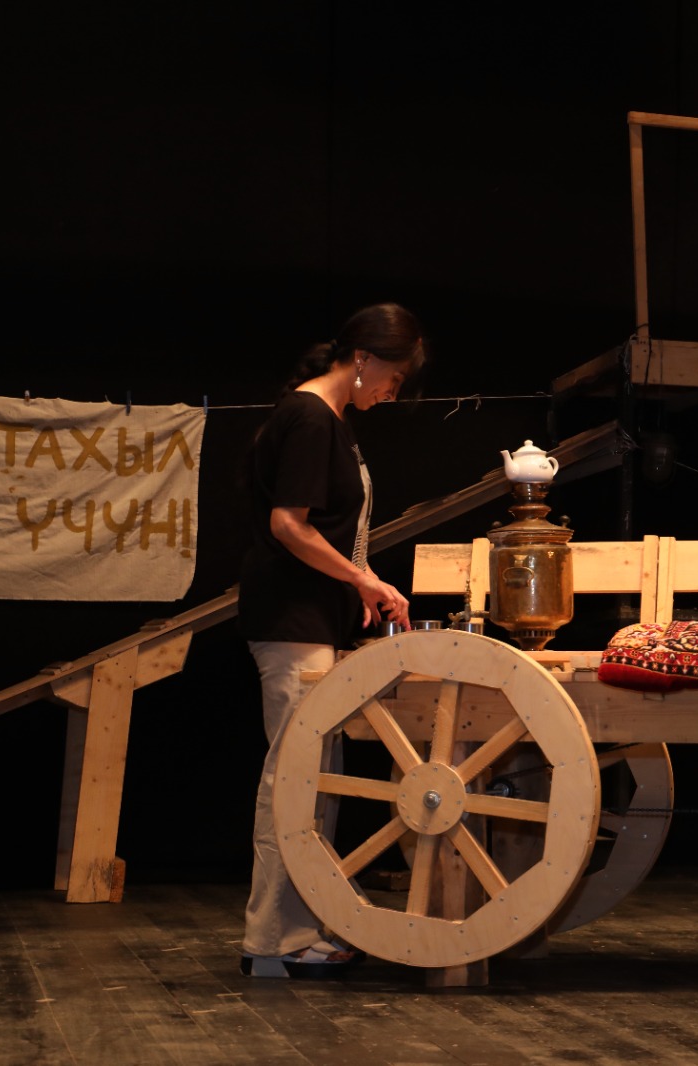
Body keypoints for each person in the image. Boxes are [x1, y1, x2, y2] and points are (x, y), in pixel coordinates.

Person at [236, 302, 426, 977]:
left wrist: (363, 583)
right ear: (364, 359)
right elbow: (288, 525)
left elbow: (331, 531)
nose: (392, 393)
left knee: (313, 777)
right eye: (394, 379)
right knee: (292, 778)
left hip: (313, 618)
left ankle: (298, 928)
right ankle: (271, 940)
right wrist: (361, 579)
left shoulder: (330, 420)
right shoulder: (312, 417)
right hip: (291, 621)